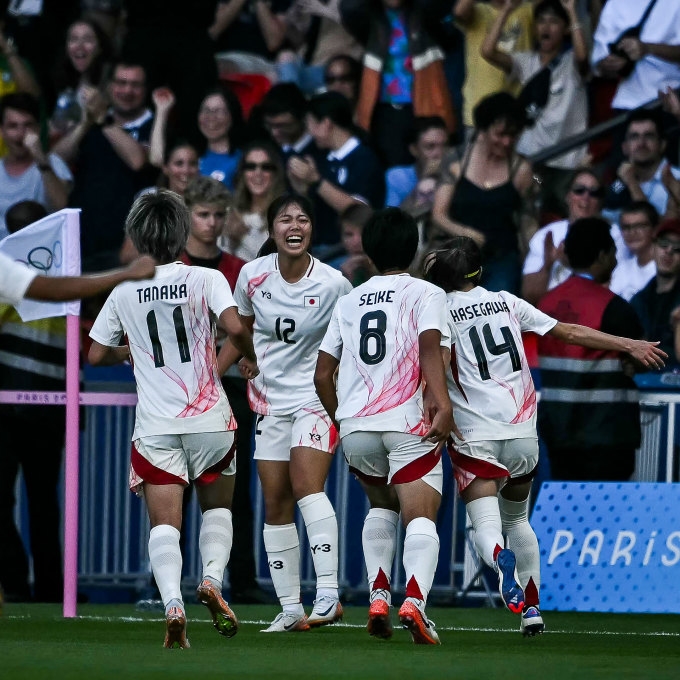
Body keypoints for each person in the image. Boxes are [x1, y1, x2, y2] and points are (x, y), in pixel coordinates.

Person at [422, 234, 665, 636]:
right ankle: (532, 610)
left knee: (485, 525)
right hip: (521, 432)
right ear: (478, 271)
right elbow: (569, 332)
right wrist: (629, 344)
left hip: (475, 432)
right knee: (518, 519)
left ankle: (499, 559)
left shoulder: (439, 312)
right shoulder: (506, 301)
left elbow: (439, 362)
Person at [88, 190, 259, 649]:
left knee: (164, 524)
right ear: (181, 232)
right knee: (217, 510)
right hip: (209, 418)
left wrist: (130, 352)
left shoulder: (124, 291)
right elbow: (236, 327)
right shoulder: (206, 278)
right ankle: (211, 580)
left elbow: (96, 353)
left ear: (138, 236)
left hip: (156, 426)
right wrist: (250, 356)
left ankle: (172, 605)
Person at [314, 207, 454, 644]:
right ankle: (414, 601)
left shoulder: (349, 300)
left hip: (357, 425)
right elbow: (429, 348)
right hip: (406, 422)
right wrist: (443, 403)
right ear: (414, 249)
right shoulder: (427, 293)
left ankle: (378, 595)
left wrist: (341, 418)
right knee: (420, 517)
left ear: (369, 253)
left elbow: (322, 375)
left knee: (381, 507)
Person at [218, 193, 352, 632]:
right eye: (285, 219)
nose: (295, 226)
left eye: (303, 219)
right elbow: (241, 329)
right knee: (275, 500)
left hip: (316, 398)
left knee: (307, 487)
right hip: (269, 401)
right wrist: (225, 370)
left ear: (312, 228)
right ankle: (291, 608)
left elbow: (351, 340)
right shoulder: (252, 275)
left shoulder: (333, 284)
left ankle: (328, 595)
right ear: (272, 229)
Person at [180, 175, 271, 605]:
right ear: (186, 216)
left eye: (219, 215)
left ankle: (243, 580)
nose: (212, 223)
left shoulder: (238, 268)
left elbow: (249, 327)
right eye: (203, 214)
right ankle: (166, 582)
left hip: (229, 385)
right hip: (179, 386)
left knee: (234, 485)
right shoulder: (170, 268)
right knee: (173, 484)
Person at [537, 217, 656, 481]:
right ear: (602, 256)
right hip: (607, 433)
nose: (615, 259)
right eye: (613, 251)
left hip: (558, 430)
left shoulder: (545, 304)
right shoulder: (615, 308)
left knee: (567, 500)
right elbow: (644, 358)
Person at [481, 0, 589, 217]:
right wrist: (506, 10)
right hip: (533, 161)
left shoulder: (571, 62)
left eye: (553, 22)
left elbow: (582, 57)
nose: (546, 27)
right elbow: (488, 51)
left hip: (567, 163)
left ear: (565, 29)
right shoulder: (525, 61)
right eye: (541, 21)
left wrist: (571, 12)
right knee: (531, 209)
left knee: (567, 213)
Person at [56, 60, 155, 272]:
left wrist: (104, 119)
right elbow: (57, 159)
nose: (127, 91)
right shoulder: (92, 123)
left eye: (135, 85)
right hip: (80, 239)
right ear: (109, 87)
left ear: (145, 89)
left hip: (124, 247)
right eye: (121, 83)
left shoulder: (154, 125)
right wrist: (85, 123)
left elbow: (137, 161)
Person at [431, 92, 534, 295]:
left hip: (501, 257)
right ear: (483, 130)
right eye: (500, 134)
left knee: (497, 306)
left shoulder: (521, 170)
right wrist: (466, 233)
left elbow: (527, 221)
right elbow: (438, 214)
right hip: (458, 256)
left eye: (513, 135)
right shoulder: (458, 159)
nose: (506, 142)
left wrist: (534, 259)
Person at [339, 0, 456, 168]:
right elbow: (349, 7)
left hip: (424, 105)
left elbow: (436, 5)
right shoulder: (370, 18)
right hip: (384, 110)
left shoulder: (423, 13)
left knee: (430, 167)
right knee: (392, 168)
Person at [287, 91, 385, 252]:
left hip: (351, 251)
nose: (309, 132)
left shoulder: (364, 159)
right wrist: (302, 190)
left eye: (309, 124)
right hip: (317, 248)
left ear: (326, 123)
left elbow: (358, 211)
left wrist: (316, 180)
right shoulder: (317, 156)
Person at [521, 169, 606, 304]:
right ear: (567, 196)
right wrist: (548, 265)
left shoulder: (615, 236)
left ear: (600, 201)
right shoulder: (547, 235)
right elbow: (529, 296)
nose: (586, 197)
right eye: (579, 190)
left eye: (594, 192)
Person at [0, 92, 72, 239]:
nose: (21, 134)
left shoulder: (53, 163)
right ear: (2, 131)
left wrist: (41, 161)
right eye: (13, 126)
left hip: (42, 246)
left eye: (27, 125)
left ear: (38, 128)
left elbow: (63, 207)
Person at [602, 110, 680, 226]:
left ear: (662, 144)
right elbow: (605, 213)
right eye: (634, 137)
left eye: (649, 136)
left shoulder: (676, 177)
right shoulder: (619, 183)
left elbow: (657, 229)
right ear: (625, 148)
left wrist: (632, 184)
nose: (641, 143)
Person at [220, 140, 287, 261]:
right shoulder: (232, 212)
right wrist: (231, 240)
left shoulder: (285, 212)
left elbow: (278, 261)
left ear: (275, 173)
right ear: (242, 173)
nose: (258, 173)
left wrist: (242, 237)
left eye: (265, 167)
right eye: (251, 167)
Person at [49, 17, 113, 141]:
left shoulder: (112, 82)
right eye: (73, 39)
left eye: (88, 40)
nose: (79, 46)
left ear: (100, 47)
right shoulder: (65, 84)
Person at [631, 218, 680, 370]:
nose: (669, 251)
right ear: (653, 248)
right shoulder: (638, 300)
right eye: (664, 244)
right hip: (643, 378)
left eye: (678, 248)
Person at [385, 116, 449, 209]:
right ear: (414, 149)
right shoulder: (397, 177)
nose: (439, 153)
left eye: (445, 145)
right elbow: (392, 216)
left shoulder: (455, 174)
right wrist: (425, 180)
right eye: (430, 147)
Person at [197, 85, 247, 191]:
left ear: (232, 116)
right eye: (206, 110)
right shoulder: (190, 155)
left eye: (219, 111)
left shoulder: (242, 159)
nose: (211, 117)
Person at [609, 201, 659, 301]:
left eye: (640, 226)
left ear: (655, 230)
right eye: (626, 227)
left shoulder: (665, 269)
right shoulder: (622, 268)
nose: (632, 233)